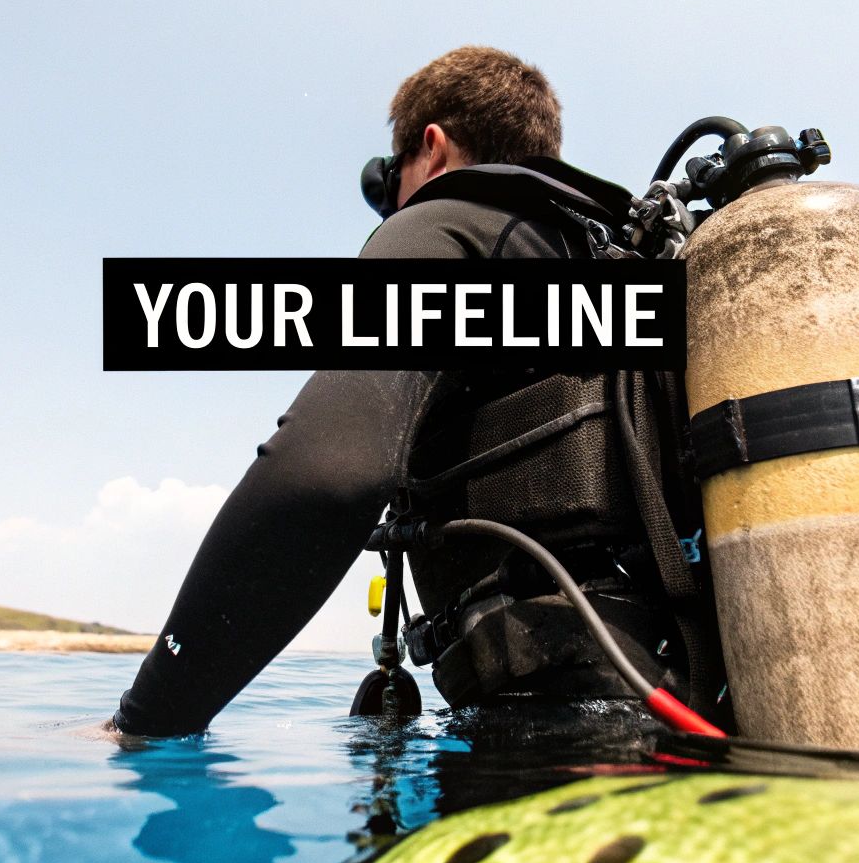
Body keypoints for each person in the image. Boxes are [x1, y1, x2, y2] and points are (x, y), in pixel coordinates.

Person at [113, 47, 715, 737]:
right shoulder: (621, 265)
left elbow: (326, 477)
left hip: (551, 730)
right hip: (679, 704)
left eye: (391, 180)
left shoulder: (443, 222)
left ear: (432, 147)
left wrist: (145, 720)